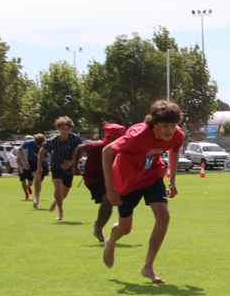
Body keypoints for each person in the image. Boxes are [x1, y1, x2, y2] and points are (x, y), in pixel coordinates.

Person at [101, 100, 184, 284]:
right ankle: (111, 241)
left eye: (173, 125)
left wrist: (172, 179)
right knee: (125, 229)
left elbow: (174, 151)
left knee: (163, 216)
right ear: (155, 124)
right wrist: (110, 189)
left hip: (152, 175)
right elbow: (107, 151)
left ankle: (148, 266)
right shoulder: (136, 135)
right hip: (127, 180)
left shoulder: (177, 135)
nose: (170, 130)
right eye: (165, 126)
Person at [72, 124, 127, 243]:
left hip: (109, 179)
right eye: (113, 139)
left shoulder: (121, 150)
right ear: (108, 138)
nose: (116, 142)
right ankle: (97, 224)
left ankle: (99, 229)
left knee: (110, 203)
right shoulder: (96, 146)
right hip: (93, 178)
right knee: (108, 199)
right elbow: (80, 148)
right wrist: (75, 166)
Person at [36, 117, 82, 221]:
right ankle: (60, 211)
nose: (65, 131)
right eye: (62, 129)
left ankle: (56, 201)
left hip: (69, 168)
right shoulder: (53, 141)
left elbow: (82, 151)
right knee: (58, 187)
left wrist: (71, 162)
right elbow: (41, 151)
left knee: (64, 194)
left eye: (67, 129)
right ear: (58, 128)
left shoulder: (75, 139)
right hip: (56, 165)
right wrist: (39, 168)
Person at [14, 134, 41, 201]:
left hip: (30, 167)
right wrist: (20, 168)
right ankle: (26, 194)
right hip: (22, 167)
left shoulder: (33, 149)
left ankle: (28, 186)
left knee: (30, 182)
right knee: (23, 181)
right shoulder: (20, 149)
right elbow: (17, 159)